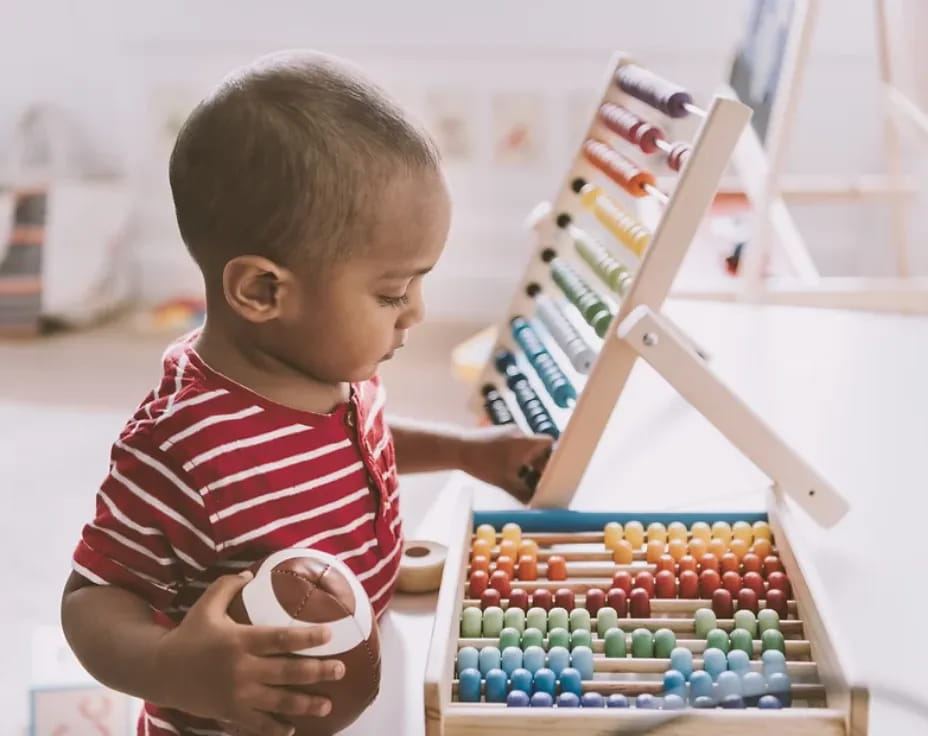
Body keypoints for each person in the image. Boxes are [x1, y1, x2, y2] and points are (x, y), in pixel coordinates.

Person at [60, 50, 552, 736]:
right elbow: (92, 596)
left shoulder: (336, 376)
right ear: (263, 291)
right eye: (392, 292)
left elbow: (358, 450)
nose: (416, 313)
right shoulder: (183, 446)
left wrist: (469, 452)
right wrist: (175, 667)